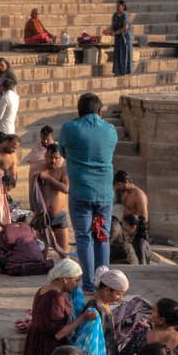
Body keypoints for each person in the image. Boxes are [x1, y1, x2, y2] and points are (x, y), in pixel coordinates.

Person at [57, 92, 119, 289]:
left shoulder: (69, 128)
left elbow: (62, 151)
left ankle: (89, 283)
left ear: (79, 111)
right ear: (100, 111)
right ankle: (105, 282)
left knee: (84, 237)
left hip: (81, 191)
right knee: (102, 236)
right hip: (104, 193)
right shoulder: (110, 130)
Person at [23, 257, 85, 355]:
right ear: (65, 279)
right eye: (76, 280)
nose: (77, 285)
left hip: (35, 344)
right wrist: (83, 317)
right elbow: (59, 333)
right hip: (48, 350)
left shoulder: (42, 290)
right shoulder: (57, 297)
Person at [29, 128, 70, 253]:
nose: (53, 161)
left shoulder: (63, 170)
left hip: (59, 215)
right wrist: (34, 211)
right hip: (42, 216)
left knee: (64, 253)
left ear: (60, 158)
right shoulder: (38, 169)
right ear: (45, 156)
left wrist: (48, 178)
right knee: (42, 253)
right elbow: (32, 191)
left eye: (56, 158)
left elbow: (66, 189)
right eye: (51, 157)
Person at [113, 170, 150, 266]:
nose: (118, 187)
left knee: (140, 262)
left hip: (136, 233)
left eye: (119, 185)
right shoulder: (124, 193)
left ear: (126, 182)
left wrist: (135, 236)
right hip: (125, 233)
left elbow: (143, 219)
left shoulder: (139, 195)